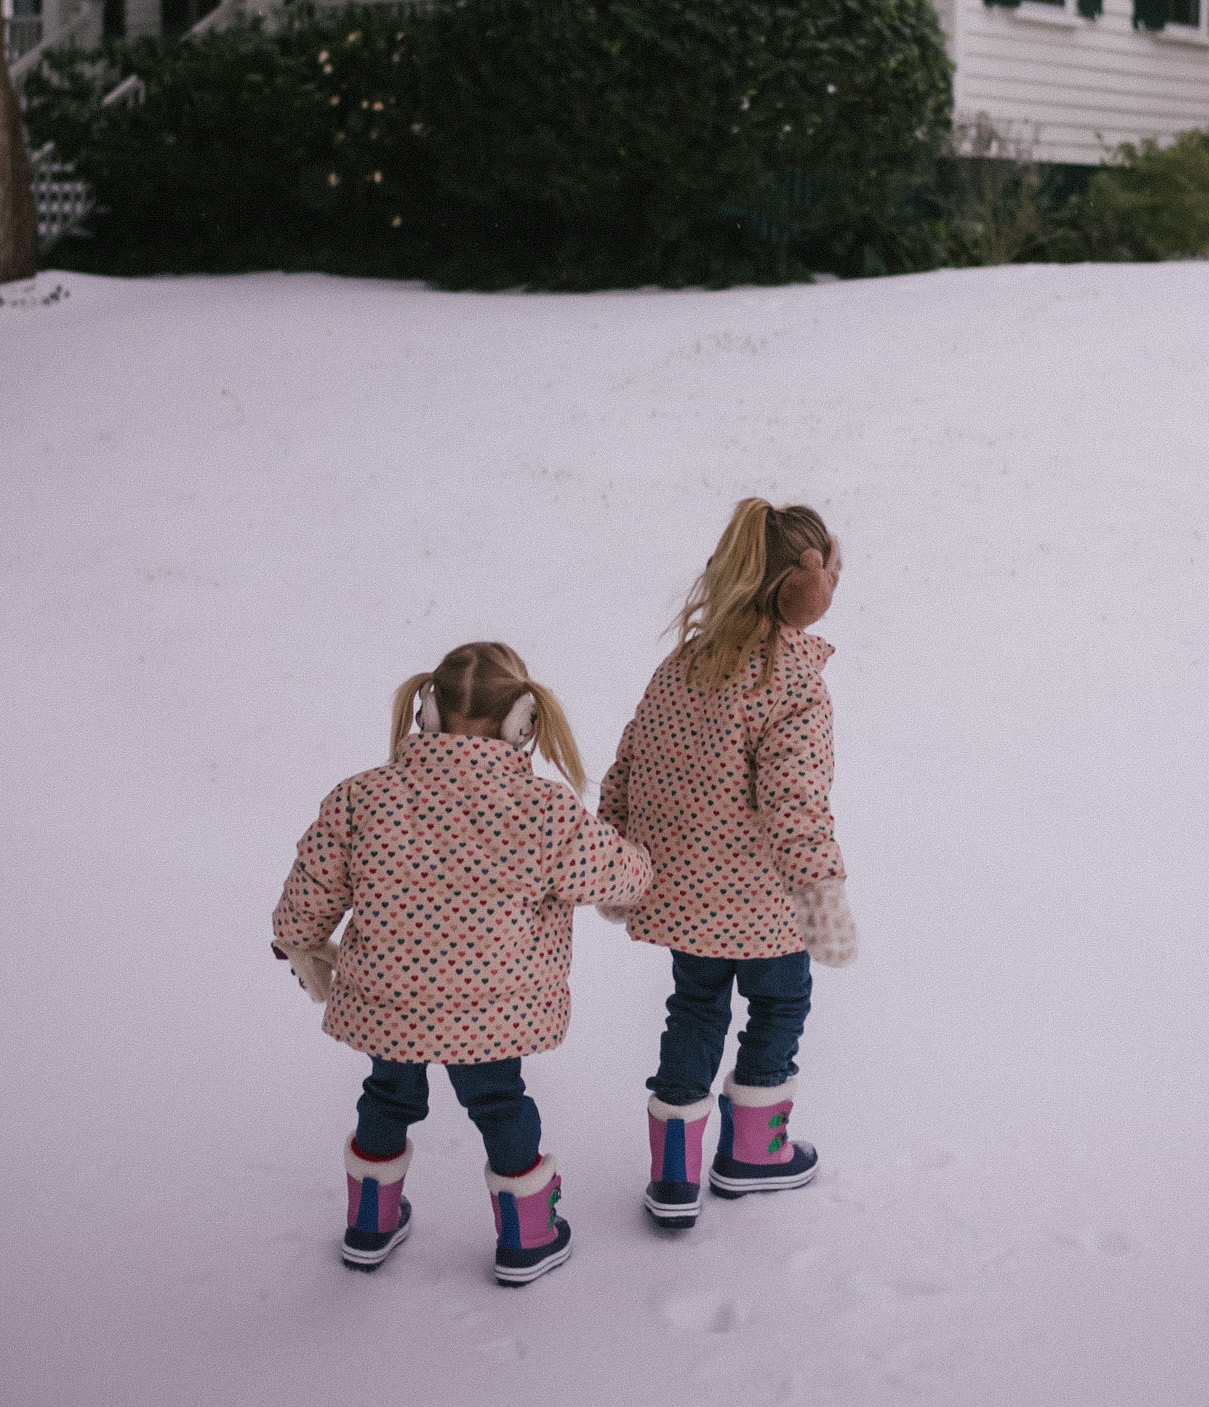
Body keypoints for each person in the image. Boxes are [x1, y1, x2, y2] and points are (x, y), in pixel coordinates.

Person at [272, 641, 652, 1284]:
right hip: (493, 1012)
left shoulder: (363, 797)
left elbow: (314, 888)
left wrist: (296, 939)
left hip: (389, 1004)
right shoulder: (545, 811)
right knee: (502, 1103)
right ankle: (529, 1236)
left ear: (426, 712)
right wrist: (644, 859)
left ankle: (370, 1224)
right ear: (523, 723)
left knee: (386, 1096)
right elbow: (620, 876)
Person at [598, 499, 858, 1231]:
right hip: (767, 907)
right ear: (804, 588)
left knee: (695, 1009)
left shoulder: (684, 663)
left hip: (684, 900)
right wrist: (820, 893)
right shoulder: (794, 683)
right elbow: (795, 799)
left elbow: (630, 763)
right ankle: (754, 1155)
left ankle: (674, 1175)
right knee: (779, 1004)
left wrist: (618, 854)